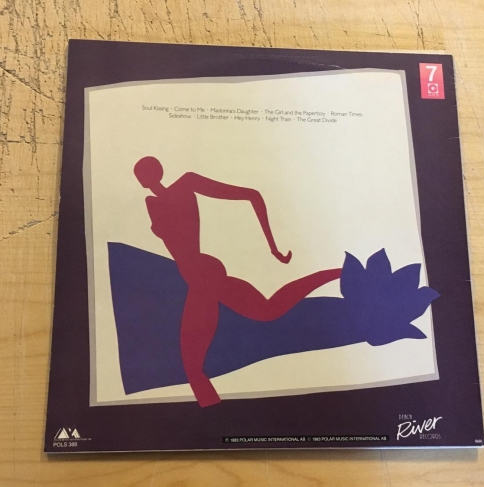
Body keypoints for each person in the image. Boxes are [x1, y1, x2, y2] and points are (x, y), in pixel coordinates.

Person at [134, 156, 341, 407]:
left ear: (148, 177)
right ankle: (337, 272)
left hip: (202, 276)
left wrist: (274, 248)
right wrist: (273, 248)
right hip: (201, 276)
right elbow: (251, 196)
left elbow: (251, 195)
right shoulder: (155, 201)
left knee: (194, 366)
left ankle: (336, 273)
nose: (142, 180)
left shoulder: (180, 187)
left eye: (141, 175)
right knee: (266, 311)